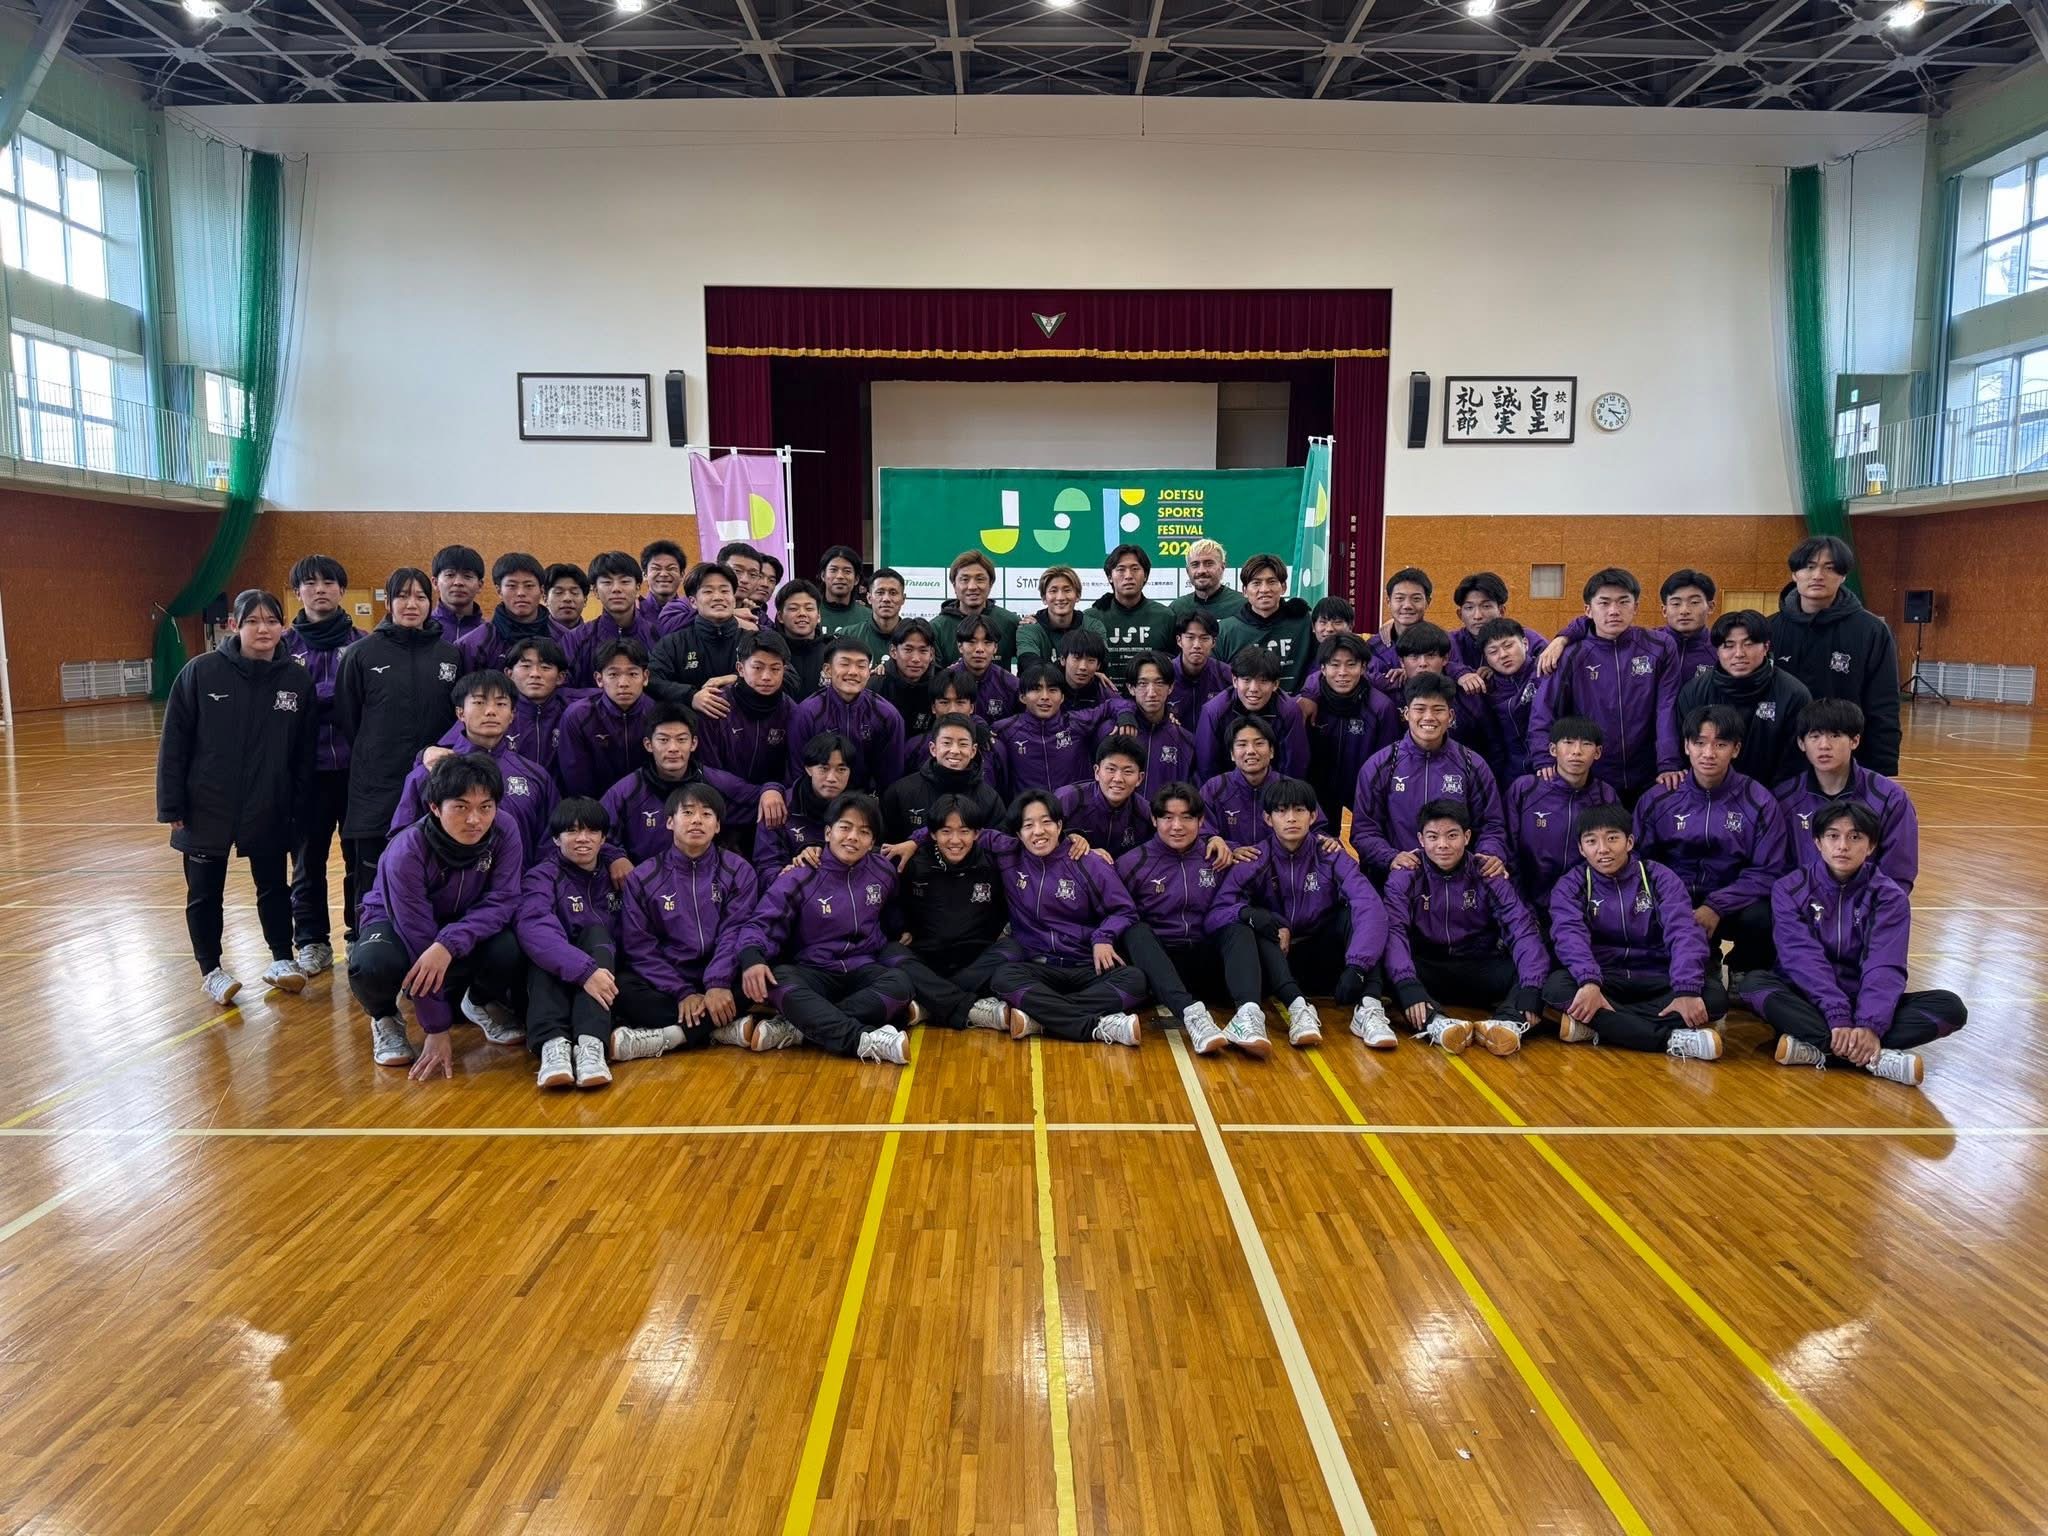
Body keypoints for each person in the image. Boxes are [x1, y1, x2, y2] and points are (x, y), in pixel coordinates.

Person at [156, 587, 319, 1004]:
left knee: (274, 886)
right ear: (234, 625)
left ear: (284, 626)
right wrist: (171, 804)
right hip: (205, 806)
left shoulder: (296, 681)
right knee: (204, 893)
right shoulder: (201, 672)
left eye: (271, 621)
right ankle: (211, 969)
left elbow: (304, 753)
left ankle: (282, 958)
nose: (263, 629)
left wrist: (299, 806)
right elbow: (174, 742)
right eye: (252, 621)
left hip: (269, 805)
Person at [1735, 800, 1963, 1087]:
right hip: (1810, 999)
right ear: (1818, 842)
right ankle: (1875, 1058)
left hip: (1864, 1000)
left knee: (1950, 1007)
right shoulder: (1790, 888)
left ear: (1871, 846)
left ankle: (1819, 1048)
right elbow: (1801, 958)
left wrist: (1869, 1024)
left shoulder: (1889, 896)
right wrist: (1837, 1015)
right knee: (1754, 986)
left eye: (1855, 837)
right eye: (1833, 836)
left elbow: (1884, 964)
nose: (1842, 846)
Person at [350, 752, 528, 1077]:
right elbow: (417, 937)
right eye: (461, 807)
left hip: (462, 920)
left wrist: (448, 942)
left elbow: (503, 900)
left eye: (485, 807)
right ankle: (385, 1016)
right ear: (434, 807)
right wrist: (436, 1028)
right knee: (372, 965)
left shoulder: (505, 829)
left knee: (511, 947)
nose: (474, 819)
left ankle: (478, 1001)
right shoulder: (406, 850)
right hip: (397, 921)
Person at [1207, 777, 1389, 1051]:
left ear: (1313, 816)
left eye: (1299, 810)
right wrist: (1253, 915)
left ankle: (1370, 1007)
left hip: (1324, 955)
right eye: (1281, 811)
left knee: (1358, 916)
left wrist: (1358, 966)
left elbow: (1369, 904)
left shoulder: (1331, 855)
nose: (1291, 818)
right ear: (1268, 819)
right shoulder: (1255, 858)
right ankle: (1298, 1009)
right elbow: (1216, 913)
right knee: (1254, 922)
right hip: (1279, 961)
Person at [736, 792, 917, 1064]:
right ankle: (862, 1040)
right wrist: (752, 958)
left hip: (862, 968)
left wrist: (901, 927)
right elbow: (762, 922)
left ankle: (801, 1027)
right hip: (813, 970)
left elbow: (891, 907)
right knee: (778, 980)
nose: (853, 837)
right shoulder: (800, 874)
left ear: (872, 842)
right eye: (845, 827)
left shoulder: (882, 871)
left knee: (901, 984)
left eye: (864, 832)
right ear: (828, 832)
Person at [1542, 804, 1726, 1060]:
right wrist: (1589, 981)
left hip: (1657, 975)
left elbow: (1684, 932)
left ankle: (1601, 1027)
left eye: (1612, 838)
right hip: (1605, 978)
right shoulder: (1571, 885)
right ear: (1581, 849)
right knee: (1556, 989)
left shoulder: (1659, 876)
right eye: (1592, 841)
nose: (1603, 849)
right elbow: (1569, 936)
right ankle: (1670, 1040)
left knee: (1713, 997)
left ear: (1629, 842)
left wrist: (1686, 990)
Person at [969, 790, 1146, 1047]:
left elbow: (1125, 910)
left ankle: (1039, 1017)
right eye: (1028, 825)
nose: (1038, 831)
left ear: (1060, 825)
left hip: (1086, 964)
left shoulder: (1087, 861)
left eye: (1046, 822)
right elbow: (960, 833)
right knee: (1003, 977)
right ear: (1018, 833)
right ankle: (1096, 1026)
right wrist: (915, 841)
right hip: (1039, 965)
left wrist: (1103, 937)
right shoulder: (1009, 856)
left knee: (1135, 981)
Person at [608, 781, 763, 1061]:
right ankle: (717, 1029)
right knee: (622, 989)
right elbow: (639, 947)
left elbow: (736, 930)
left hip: (725, 974)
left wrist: (717, 982)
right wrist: (683, 992)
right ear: (670, 822)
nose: (697, 820)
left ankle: (670, 1037)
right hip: (670, 980)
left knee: (761, 977)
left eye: (707, 814)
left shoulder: (739, 870)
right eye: (688, 812)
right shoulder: (643, 877)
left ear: (717, 826)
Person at [1629, 706, 1790, 974]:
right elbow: (1636, 859)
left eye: (1720, 744)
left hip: (1731, 902)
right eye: (1700, 743)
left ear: (1736, 749)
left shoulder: (1759, 801)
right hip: (1670, 897)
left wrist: (1716, 905)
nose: (1708, 753)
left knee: (1763, 917)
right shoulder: (1659, 798)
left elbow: (1768, 871)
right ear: (1686, 746)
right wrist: (1671, 901)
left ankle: (1743, 976)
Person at [1382, 800, 1550, 1056]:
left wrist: (1531, 987)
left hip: (1479, 965)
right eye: (1433, 837)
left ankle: (1507, 1023)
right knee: (1388, 966)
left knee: (1536, 969)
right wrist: (1407, 984)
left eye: (1452, 836)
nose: (1443, 845)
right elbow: (1395, 932)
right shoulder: (1405, 874)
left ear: (1467, 836)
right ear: (1421, 839)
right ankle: (1436, 1024)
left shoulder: (1488, 873)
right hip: (1429, 968)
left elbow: (1521, 929)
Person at [335, 567, 462, 903]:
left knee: (431, 874)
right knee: (370, 877)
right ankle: (365, 932)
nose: (411, 604)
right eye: (402, 596)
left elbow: (456, 718)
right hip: (376, 787)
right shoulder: (361, 654)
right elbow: (349, 717)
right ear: (388, 602)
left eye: (420, 596)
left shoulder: (449, 655)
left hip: (432, 785)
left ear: (431, 603)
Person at [1528, 568, 1682, 801]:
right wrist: (1543, 757)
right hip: (1591, 775)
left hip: (1649, 772)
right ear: (1588, 610)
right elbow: (1544, 709)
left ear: (1636, 607)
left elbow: (1666, 707)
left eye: (1623, 602)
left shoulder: (1660, 647)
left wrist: (1668, 762)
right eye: (1604, 603)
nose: (1614, 611)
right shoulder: (1570, 655)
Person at [281, 553, 365, 974]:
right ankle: (311, 940)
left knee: (359, 859)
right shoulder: (282, 647)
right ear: (298, 592)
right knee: (307, 861)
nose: (320, 590)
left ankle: (360, 934)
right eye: (310, 583)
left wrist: (315, 699)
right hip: (305, 774)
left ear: (341, 590)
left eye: (329, 582)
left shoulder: (364, 644)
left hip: (356, 772)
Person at [1115, 782, 1237, 1054]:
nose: (1177, 826)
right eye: (1168, 818)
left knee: (1240, 927)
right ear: (1154, 820)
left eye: (1186, 817)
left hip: (1203, 960)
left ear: (1201, 821)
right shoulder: (1132, 862)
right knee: (1135, 929)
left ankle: (1248, 1016)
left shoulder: (1219, 856)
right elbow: (1114, 911)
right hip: (1158, 965)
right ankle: (1192, 1016)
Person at [1351, 673, 1508, 881]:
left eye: (1438, 710)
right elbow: (1364, 830)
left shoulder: (1473, 765)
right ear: (1406, 714)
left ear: (1450, 716)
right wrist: (1391, 858)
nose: (1428, 717)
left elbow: (1492, 825)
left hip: (1459, 883)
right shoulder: (1380, 766)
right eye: (1420, 709)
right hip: (1398, 881)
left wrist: (1489, 855)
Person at [394, 669, 558, 867]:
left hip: (517, 884)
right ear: (460, 713)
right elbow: (402, 844)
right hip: (446, 884)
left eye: (501, 704)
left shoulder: (536, 776)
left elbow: (551, 845)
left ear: (512, 715)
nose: (490, 711)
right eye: (479, 702)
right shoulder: (429, 772)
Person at [1768, 535, 1900, 774]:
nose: (1818, 575)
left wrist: (1883, 769)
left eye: (1829, 568)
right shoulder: (1769, 629)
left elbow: (1884, 705)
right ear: (1795, 573)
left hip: (1845, 764)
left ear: (1843, 575)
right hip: (1779, 761)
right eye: (1809, 566)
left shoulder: (1871, 631)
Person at [519, 797, 626, 1089]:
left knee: (598, 935)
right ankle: (553, 1046)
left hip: (609, 973)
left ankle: (591, 1045)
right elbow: (534, 927)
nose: (582, 838)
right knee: (544, 953)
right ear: (556, 838)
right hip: (558, 977)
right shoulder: (541, 876)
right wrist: (584, 971)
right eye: (572, 831)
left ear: (603, 839)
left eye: (591, 831)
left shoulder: (618, 874)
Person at [881, 794, 1010, 1032]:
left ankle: (930, 1004)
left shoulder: (994, 863)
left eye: (964, 831)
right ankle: (969, 1007)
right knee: (889, 953)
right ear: (932, 834)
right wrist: (901, 927)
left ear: (977, 834)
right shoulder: (914, 862)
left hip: (976, 959)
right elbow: (893, 902)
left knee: (1014, 950)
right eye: (945, 832)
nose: (955, 840)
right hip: (927, 958)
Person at [1774, 699, 1919, 893]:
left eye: (1835, 735)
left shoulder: (1890, 798)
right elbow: (1779, 869)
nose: (1824, 745)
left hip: (1867, 906)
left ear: (1854, 740)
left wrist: (1868, 907)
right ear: (1801, 743)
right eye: (1814, 736)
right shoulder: (1784, 799)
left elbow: (1898, 873)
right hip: (1803, 904)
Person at [600, 701, 757, 864]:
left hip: (705, 875)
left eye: (681, 739)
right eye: (663, 740)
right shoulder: (627, 791)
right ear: (648, 745)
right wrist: (616, 857)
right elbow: (594, 829)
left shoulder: (715, 781)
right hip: (644, 876)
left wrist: (770, 790)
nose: (673, 748)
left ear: (693, 743)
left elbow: (758, 799)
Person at [1675, 610, 1812, 789]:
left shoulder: (1794, 694)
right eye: (1729, 645)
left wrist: (1766, 799)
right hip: (1709, 793)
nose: (1739, 653)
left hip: (1773, 796)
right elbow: (1685, 750)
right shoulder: (1694, 691)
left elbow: (1795, 761)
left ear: (1766, 647)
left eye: (1749, 644)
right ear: (1717, 651)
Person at [1504, 715, 1617, 910]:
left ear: (1597, 752)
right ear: (1553, 749)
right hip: (1525, 902)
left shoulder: (1605, 795)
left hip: (1582, 905)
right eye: (1568, 742)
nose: (1577, 751)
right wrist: (1521, 906)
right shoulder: (1526, 789)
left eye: (1586, 744)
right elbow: (1507, 849)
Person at [1297, 632, 1400, 832]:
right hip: (1317, 793)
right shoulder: (1307, 705)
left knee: (1369, 841)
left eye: (1351, 665)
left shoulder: (1381, 708)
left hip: (1365, 791)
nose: (1342, 672)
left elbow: (1389, 761)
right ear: (1323, 668)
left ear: (1363, 667)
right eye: (1335, 665)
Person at [788, 636, 905, 793]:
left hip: (866, 800)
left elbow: (891, 776)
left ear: (869, 672)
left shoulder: (886, 715)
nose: (853, 672)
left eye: (861, 666)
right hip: (818, 799)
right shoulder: (807, 713)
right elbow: (797, 774)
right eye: (844, 664)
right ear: (828, 670)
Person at [693, 630, 798, 796]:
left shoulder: (791, 710)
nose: (766, 676)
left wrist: (774, 792)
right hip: (722, 801)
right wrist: (757, 794)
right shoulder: (715, 705)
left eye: (775, 669)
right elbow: (708, 770)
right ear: (740, 669)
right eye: (757, 668)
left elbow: (793, 769)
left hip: (774, 802)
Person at [996, 663, 1127, 794]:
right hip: (1029, 806)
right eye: (1036, 689)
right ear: (1022, 697)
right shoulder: (1005, 730)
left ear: (1062, 697)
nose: (1045, 697)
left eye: (1052, 690)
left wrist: (1126, 716)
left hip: (1073, 805)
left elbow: (1115, 704)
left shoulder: (1076, 722)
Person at [554, 638, 659, 800]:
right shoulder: (578, 716)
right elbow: (577, 782)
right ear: (599, 679)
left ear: (645, 677)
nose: (623, 683)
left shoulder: (657, 714)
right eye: (613, 674)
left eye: (632, 674)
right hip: (594, 806)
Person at [881, 715, 1004, 840]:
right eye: (946, 743)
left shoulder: (989, 799)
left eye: (963, 744)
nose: (955, 750)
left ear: (973, 751)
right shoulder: (901, 792)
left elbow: (996, 844)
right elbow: (885, 845)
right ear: (933, 748)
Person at [1195, 646, 1309, 780]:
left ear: (1276, 684)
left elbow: (1294, 766)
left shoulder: (1289, 711)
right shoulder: (1213, 711)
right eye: (1246, 680)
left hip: (1276, 787)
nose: (1254, 689)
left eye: (1263, 681)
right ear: (1235, 681)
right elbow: (1206, 768)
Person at [756, 730, 855, 881]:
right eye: (824, 768)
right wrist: (788, 875)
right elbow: (766, 868)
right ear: (808, 769)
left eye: (841, 769)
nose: (832, 778)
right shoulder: (779, 805)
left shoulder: (858, 810)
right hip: (794, 889)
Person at [1389, 621, 1497, 757]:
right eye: (1414, 656)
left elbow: (1493, 743)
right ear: (1401, 662)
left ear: (1445, 658)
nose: (1423, 663)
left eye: (1430, 655)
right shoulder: (1391, 695)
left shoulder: (1468, 693)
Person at [1216, 553, 1315, 691]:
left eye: (1272, 582)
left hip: (1296, 703)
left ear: (1284, 587)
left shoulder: (1305, 623)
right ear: (1244, 591)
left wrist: (1310, 695)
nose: (1264, 589)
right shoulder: (1224, 631)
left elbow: (1324, 663)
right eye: (1256, 583)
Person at [650, 560, 746, 701]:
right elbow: (652, 680)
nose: (718, 597)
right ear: (693, 602)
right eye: (708, 591)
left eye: (725, 591)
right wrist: (691, 696)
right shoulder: (673, 644)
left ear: (733, 598)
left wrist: (738, 678)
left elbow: (780, 677)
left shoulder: (754, 640)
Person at [460, 552, 566, 674]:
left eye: (529, 586)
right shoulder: (474, 644)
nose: (521, 593)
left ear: (541, 591)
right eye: (512, 586)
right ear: (499, 591)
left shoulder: (565, 639)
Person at [1469, 616, 1545, 788]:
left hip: (1550, 768)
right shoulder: (1487, 691)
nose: (1503, 655)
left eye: (1508, 645)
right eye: (1493, 651)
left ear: (1525, 643)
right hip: (1512, 776)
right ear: (1486, 658)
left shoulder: (1545, 672)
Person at [565, 551, 656, 689]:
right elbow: (561, 688)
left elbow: (662, 686)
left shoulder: (655, 634)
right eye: (607, 582)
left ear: (638, 588)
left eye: (625, 582)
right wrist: (605, 697)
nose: (616, 589)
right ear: (595, 591)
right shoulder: (576, 639)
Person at [1117, 651, 1202, 799]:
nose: (1151, 692)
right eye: (1143, 684)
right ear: (1131, 688)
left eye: (1159, 683)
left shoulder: (1186, 741)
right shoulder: (1114, 732)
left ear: (1171, 687)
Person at [1089, 543, 1174, 684]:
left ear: (1145, 575)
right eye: (1121, 569)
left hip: (1150, 695)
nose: (1128, 576)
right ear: (1110, 576)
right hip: (1104, 696)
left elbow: (1175, 664)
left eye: (1135, 569)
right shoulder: (1092, 617)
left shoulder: (1165, 616)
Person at [1057, 738, 1154, 858]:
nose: (1118, 779)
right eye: (1111, 769)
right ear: (1097, 772)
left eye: (1128, 771)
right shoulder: (1067, 800)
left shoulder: (1145, 813)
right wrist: (1068, 840)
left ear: (1139, 778)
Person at [1447, 572, 1544, 688]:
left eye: (1486, 606)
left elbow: (1552, 663)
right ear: (1460, 615)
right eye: (1469, 607)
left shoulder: (1523, 637)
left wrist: (1500, 675)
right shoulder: (1449, 642)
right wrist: (1459, 673)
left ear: (1501, 611)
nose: (1477, 616)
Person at [931, 550, 1020, 666]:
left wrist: (1036, 625)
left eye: (980, 579)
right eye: (964, 580)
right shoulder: (937, 628)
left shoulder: (1011, 623)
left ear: (991, 584)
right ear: (954, 585)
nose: (972, 587)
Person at [868, 615, 941, 742]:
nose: (916, 659)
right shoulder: (875, 685)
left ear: (931, 654)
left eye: (923, 651)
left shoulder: (940, 685)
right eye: (908, 650)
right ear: (893, 651)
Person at [503, 635, 570, 772]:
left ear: (560, 677)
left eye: (545, 667)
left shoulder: (573, 713)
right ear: (509, 674)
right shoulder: (496, 712)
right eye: (526, 666)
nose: (535, 674)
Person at [1015, 565, 1105, 665]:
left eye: (1067, 590)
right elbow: (1029, 665)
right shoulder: (1029, 628)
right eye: (1053, 591)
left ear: (1078, 595)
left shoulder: (1093, 627)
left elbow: (1101, 663)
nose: (1060, 597)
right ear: (1044, 598)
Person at [1366, 566, 1434, 691]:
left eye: (1416, 599)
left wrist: (1414, 674)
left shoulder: (1440, 642)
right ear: (1388, 602)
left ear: (1428, 602)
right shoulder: (1373, 646)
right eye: (1399, 598)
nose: (1407, 605)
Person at [947, 614, 1022, 725]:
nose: (980, 649)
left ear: (995, 648)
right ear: (960, 646)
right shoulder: (945, 681)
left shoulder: (1011, 685)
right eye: (972, 642)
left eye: (987, 643)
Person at [1169, 609, 1233, 726]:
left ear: (1214, 642)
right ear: (1179, 640)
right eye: (1190, 637)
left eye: (1204, 638)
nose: (1197, 645)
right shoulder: (1164, 674)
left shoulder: (1226, 675)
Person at [774, 578, 830, 700]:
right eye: (793, 608)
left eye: (809, 608)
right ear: (780, 616)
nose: (802, 614)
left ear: (819, 616)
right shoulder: (769, 651)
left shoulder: (832, 652)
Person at [1658, 569, 1718, 681]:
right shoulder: (1647, 644)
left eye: (1694, 602)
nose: (1684, 611)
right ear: (1664, 610)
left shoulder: (1720, 649)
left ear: (1710, 607)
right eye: (1676, 603)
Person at [1167, 538, 1244, 625]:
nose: (1201, 571)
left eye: (1209, 564)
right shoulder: (1177, 608)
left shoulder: (1242, 605)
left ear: (1222, 567)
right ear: (1188, 571)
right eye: (1195, 565)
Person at [847, 566, 911, 662]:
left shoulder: (915, 638)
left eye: (893, 593)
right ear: (869, 598)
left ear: (903, 599)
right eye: (880, 593)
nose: (886, 599)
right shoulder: (849, 636)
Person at [429, 544, 487, 640]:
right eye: (450, 575)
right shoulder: (422, 628)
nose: (458, 582)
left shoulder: (489, 635)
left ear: (479, 585)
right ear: (435, 583)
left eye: (467, 576)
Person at [815, 545, 871, 637]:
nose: (840, 576)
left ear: (856, 579)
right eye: (833, 570)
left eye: (847, 571)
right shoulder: (810, 613)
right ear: (823, 575)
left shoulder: (869, 617)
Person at [1055, 628, 1115, 712]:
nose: (1083, 667)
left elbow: (1122, 706)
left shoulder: (1102, 689)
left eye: (1091, 660)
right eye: (1076, 658)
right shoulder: (1049, 684)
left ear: (1098, 665)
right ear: (1063, 660)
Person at [637, 539, 691, 633]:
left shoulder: (691, 611)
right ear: (645, 575)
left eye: (671, 568)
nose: (663, 574)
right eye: (656, 568)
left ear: (682, 575)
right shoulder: (634, 612)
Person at [544, 561, 590, 629]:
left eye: (574, 592)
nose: (567, 598)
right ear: (545, 599)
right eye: (558, 592)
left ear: (585, 600)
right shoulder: (531, 634)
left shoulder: (597, 634)